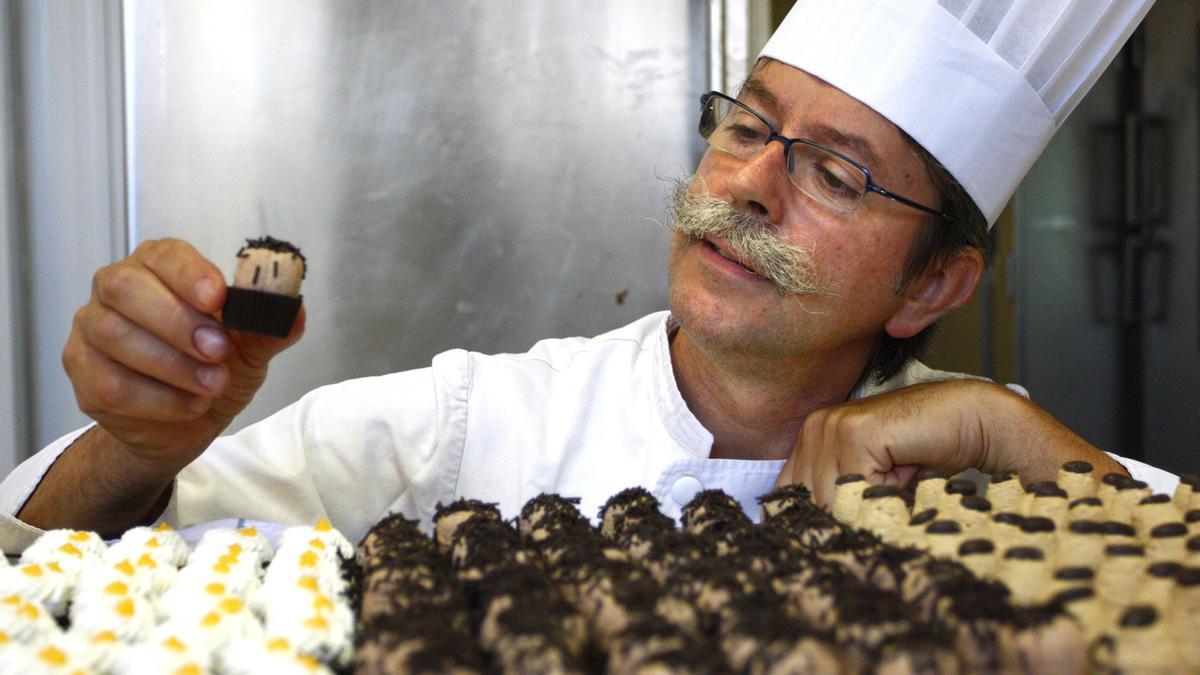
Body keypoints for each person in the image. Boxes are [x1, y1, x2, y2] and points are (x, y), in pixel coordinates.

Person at [0, 0, 1175, 549]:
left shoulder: (1007, 462)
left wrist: (1008, 431)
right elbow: (52, 574)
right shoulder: (471, 429)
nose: (747, 186)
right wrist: (142, 450)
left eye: (836, 175)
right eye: (745, 125)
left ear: (932, 288)